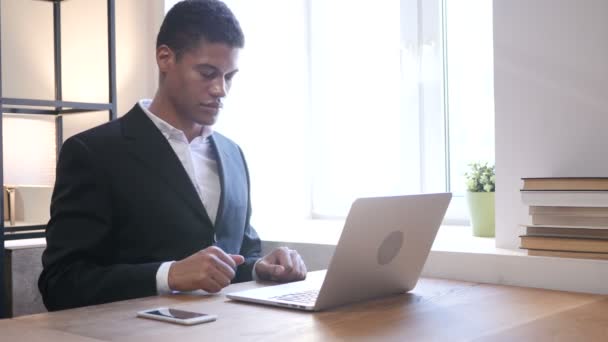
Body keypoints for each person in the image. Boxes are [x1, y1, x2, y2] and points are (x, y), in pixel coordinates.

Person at [39, 0, 307, 311]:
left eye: (229, 76)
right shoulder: (92, 153)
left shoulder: (233, 154)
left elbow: (238, 255)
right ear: (165, 58)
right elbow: (60, 284)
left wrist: (261, 267)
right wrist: (169, 274)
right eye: (208, 73)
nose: (221, 89)